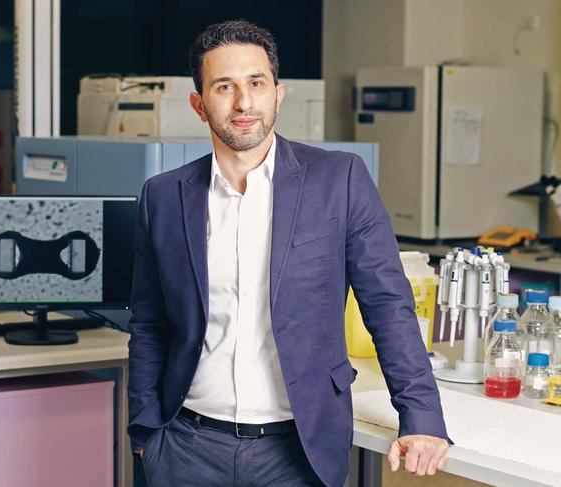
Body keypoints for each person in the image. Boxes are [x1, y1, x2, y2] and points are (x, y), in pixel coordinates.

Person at [127, 19, 451, 487]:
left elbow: (387, 304)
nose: (243, 102)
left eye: (256, 83)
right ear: (199, 104)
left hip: (298, 449)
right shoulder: (163, 196)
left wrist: (420, 416)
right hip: (185, 446)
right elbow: (148, 321)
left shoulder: (339, 180)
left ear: (278, 94)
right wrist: (145, 429)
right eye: (224, 86)